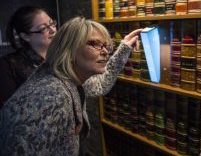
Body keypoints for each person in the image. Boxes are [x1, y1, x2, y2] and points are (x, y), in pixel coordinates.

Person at [0, 16, 142, 155]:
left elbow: (99, 85)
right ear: (69, 49)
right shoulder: (51, 97)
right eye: (95, 44)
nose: (105, 52)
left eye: (106, 46)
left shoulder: (66, 76)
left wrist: (124, 48)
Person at [0, 6, 57, 108]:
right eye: (43, 28)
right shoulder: (8, 65)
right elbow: (9, 110)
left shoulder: (62, 57)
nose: (52, 30)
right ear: (25, 36)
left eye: (52, 24)